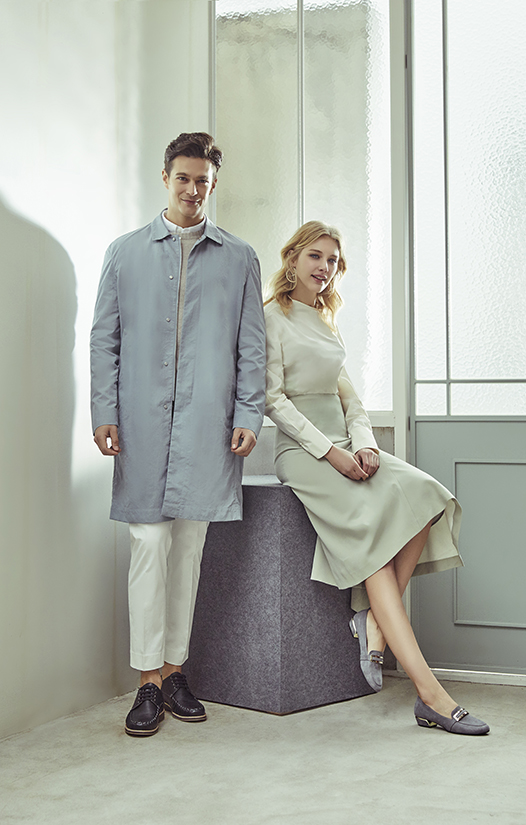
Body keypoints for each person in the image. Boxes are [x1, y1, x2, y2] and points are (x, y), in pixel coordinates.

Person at [264, 221, 489, 735]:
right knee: (373, 548)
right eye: (315, 256)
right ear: (293, 257)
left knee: (426, 497)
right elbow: (272, 401)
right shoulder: (271, 317)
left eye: (333, 260)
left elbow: (350, 398)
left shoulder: (327, 320)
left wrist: (363, 444)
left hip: (346, 443)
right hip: (303, 452)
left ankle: (370, 619)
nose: (324, 268)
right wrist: (331, 454)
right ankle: (431, 696)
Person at [90, 132, 266, 737]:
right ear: (165, 177)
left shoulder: (239, 257)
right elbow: (104, 339)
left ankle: (173, 672)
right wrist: (104, 410)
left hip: (207, 425)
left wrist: (248, 414)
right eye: (184, 178)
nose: (193, 190)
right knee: (148, 543)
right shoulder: (124, 253)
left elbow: (251, 346)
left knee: (188, 550)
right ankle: (146, 681)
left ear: (214, 185)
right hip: (140, 422)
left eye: (203, 182)